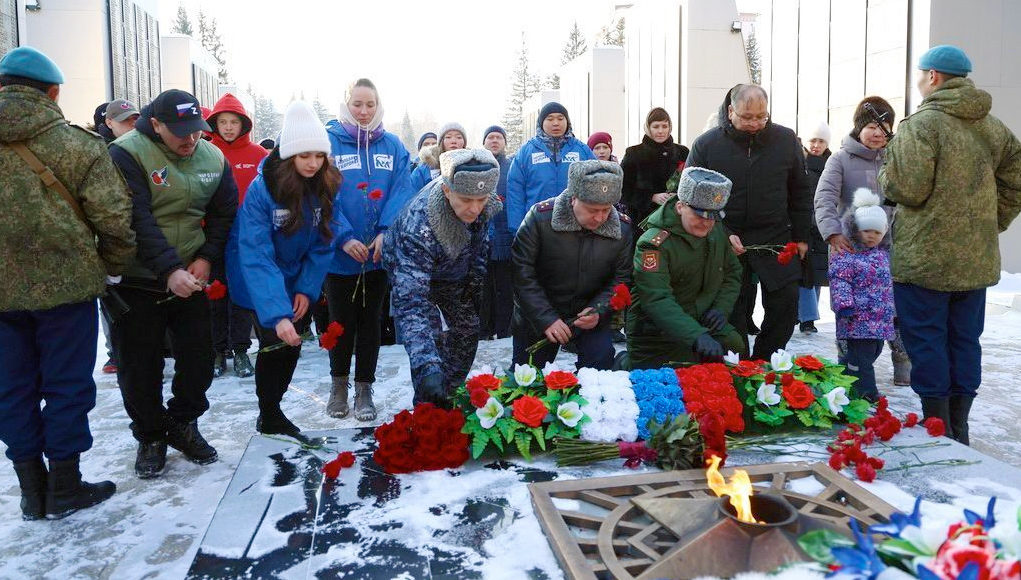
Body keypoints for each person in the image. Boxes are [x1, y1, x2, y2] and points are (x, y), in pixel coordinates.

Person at [0, 47, 136, 519]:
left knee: (10, 388)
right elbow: (114, 218)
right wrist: (114, 266)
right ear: (53, 92)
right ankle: (65, 485)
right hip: (67, 291)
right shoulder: (76, 145)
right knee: (66, 386)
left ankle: (30, 492)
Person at [880, 45, 1021, 445]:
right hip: (974, 261)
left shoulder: (922, 125)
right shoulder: (993, 127)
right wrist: (991, 222)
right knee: (964, 339)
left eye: (920, 73)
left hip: (924, 260)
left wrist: (886, 173)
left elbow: (907, 187)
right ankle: (960, 425)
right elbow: (1016, 180)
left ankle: (937, 428)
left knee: (926, 340)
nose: (919, 79)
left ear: (935, 77)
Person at [109, 89, 238, 479]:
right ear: (156, 124)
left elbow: (223, 213)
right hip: (139, 280)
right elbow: (135, 218)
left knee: (199, 360)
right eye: (180, 131)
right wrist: (169, 270)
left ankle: (183, 422)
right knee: (139, 367)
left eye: (196, 130)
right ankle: (150, 435)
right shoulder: (126, 153)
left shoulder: (213, 157)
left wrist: (205, 258)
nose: (190, 139)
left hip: (191, 276)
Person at [226, 101, 339, 438]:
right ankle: (269, 412)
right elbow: (256, 253)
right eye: (305, 156)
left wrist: (306, 288)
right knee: (275, 342)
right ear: (290, 155)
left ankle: (272, 409)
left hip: (295, 276)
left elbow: (324, 242)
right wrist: (277, 312)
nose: (313, 163)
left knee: (291, 346)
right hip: (260, 277)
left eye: (319, 156)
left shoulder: (324, 183)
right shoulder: (265, 190)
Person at [685, 84, 813, 360]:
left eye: (761, 116)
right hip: (726, 237)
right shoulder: (707, 145)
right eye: (747, 117)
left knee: (785, 304)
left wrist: (801, 236)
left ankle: (766, 360)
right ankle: (739, 362)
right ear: (731, 111)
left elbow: (800, 190)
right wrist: (721, 232)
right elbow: (690, 197)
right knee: (733, 308)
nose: (755, 124)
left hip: (776, 236)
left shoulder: (786, 140)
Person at [324, 78, 413, 421]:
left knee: (371, 323)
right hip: (339, 254)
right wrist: (343, 236)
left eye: (370, 105)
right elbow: (321, 194)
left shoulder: (392, 146)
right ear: (346, 104)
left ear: (378, 106)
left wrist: (385, 232)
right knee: (340, 323)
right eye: (357, 104)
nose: (363, 111)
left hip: (377, 255)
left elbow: (401, 190)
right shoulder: (329, 143)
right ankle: (338, 385)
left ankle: (364, 388)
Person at [383, 149, 502, 407]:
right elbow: (411, 302)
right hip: (412, 273)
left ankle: (449, 394)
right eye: (466, 200)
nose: (474, 208)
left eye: (481, 199)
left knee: (468, 329)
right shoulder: (419, 223)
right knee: (430, 342)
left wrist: (472, 287)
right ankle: (428, 404)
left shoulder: (482, 203)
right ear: (447, 191)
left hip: (453, 273)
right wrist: (427, 366)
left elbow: (479, 247)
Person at [813, 96, 911, 384]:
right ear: (858, 128)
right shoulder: (840, 159)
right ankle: (850, 369)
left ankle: (902, 359)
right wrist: (832, 232)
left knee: (894, 308)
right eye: (871, 126)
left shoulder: (896, 159)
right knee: (850, 308)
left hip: (890, 249)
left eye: (885, 126)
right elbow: (825, 198)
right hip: (849, 251)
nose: (878, 133)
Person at [511, 160, 633, 371]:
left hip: (588, 316)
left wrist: (598, 310)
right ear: (573, 198)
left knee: (598, 374)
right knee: (528, 380)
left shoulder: (621, 228)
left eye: (606, 209)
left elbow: (621, 278)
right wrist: (546, 318)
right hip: (537, 315)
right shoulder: (540, 219)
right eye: (592, 209)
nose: (600, 217)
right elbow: (521, 273)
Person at [627, 167, 745, 368]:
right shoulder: (653, 244)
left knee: (735, 346)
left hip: (701, 321)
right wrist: (696, 335)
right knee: (672, 381)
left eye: (713, 216)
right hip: (658, 333)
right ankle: (623, 364)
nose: (707, 223)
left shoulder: (715, 231)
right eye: (699, 215)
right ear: (680, 206)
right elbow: (657, 299)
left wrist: (720, 309)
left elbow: (732, 273)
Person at [207, 93, 270, 378]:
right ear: (215, 124)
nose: (229, 127)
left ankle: (242, 349)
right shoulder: (205, 153)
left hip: (247, 238)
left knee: (241, 296)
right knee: (215, 294)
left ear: (243, 124)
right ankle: (218, 350)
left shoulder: (259, 155)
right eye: (223, 122)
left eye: (234, 121)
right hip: (213, 237)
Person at [828, 189, 894, 402]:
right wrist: (845, 304)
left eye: (877, 231)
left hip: (880, 321)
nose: (871, 236)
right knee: (860, 359)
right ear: (855, 230)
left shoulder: (883, 256)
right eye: (866, 231)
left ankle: (845, 384)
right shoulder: (847, 255)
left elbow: (888, 286)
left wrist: (894, 310)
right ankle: (866, 393)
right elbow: (840, 281)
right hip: (856, 319)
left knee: (871, 354)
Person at [506, 102, 596, 232]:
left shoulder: (582, 150)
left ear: (567, 122)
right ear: (541, 122)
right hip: (536, 225)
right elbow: (515, 192)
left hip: (575, 224)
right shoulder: (526, 152)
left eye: (560, 118)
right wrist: (518, 229)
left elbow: (595, 185)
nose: (556, 123)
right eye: (550, 119)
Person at [620, 107, 690, 243]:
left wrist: (677, 196)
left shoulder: (682, 152)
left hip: (677, 220)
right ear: (648, 128)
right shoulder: (634, 154)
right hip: (644, 222)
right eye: (656, 126)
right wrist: (650, 197)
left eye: (664, 126)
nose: (660, 131)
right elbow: (623, 190)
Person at [479, 125, 514, 340]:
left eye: (498, 137)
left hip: (504, 235)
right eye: (490, 137)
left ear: (504, 142)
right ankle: (484, 329)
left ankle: (504, 330)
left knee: (505, 286)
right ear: (483, 142)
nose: (494, 141)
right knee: (482, 288)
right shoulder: (477, 166)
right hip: (480, 236)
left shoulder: (511, 167)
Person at [798, 121, 831, 334]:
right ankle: (805, 317)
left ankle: (808, 317)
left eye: (821, 141)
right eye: (813, 140)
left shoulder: (832, 162)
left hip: (822, 226)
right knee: (805, 273)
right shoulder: (799, 162)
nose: (816, 145)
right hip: (804, 225)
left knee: (816, 274)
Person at [410, 123, 466, 192]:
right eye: (448, 137)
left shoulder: (473, 165)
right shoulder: (424, 169)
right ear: (441, 142)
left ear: (464, 142)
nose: (453, 141)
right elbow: (412, 197)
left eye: (459, 137)